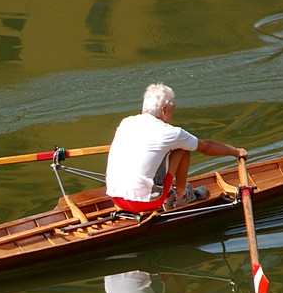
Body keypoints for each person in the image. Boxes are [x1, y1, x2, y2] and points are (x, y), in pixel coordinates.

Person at [105, 83, 248, 212]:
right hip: (145, 203)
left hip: (115, 197)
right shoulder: (171, 132)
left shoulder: (126, 123)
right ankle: (182, 197)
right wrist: (236, 152)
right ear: (164, 109)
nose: (172, 115)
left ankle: (168, 194)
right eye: (172, 110)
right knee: (184, 146)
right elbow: (207, 147)